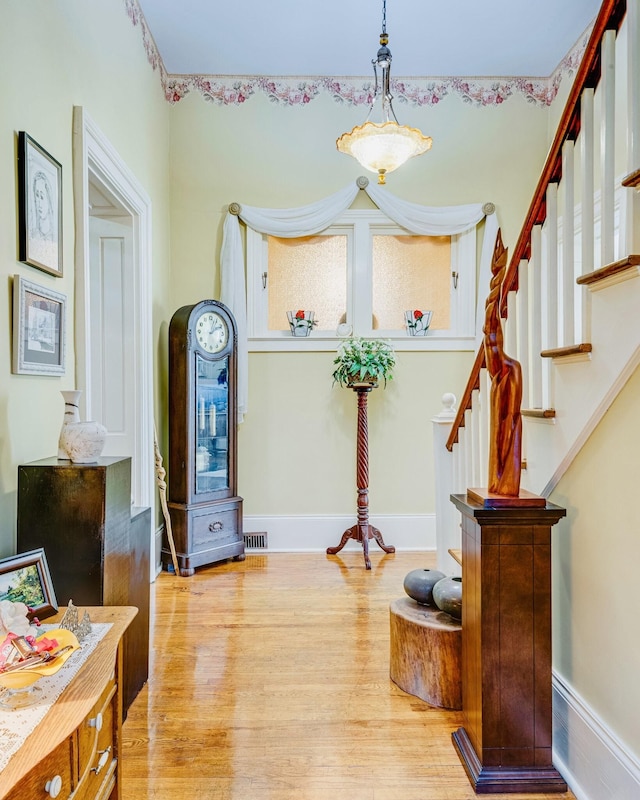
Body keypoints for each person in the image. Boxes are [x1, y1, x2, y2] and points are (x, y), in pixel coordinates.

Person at [483, 230, 522, 496]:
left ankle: (503, 482)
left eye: (492, 338)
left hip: (507, 384)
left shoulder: (511, 370)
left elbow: (512, 419)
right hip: (501, 382)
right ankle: (498, 482)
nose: (488, 344)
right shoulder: (499, 375)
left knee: (506, 429)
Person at [30, 170, 55, 242]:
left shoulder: (54, 236)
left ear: (48, 199)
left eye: (42, 197)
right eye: (37, 195)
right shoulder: (33, 234)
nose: (39, 203)